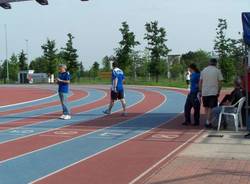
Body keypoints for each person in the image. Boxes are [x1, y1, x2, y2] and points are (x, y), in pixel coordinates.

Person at [199, 58, 223, 128]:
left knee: (206, 107)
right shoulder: (217, 71)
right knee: (211, 108)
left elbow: (200, 82)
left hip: (205, 92)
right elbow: (220, 83)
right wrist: (218, 91)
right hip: (213, 92)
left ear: (209, 63)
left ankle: (208, 121)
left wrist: (200, 91)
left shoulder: (203, 70)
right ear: (215, 63)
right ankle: (208, 122)